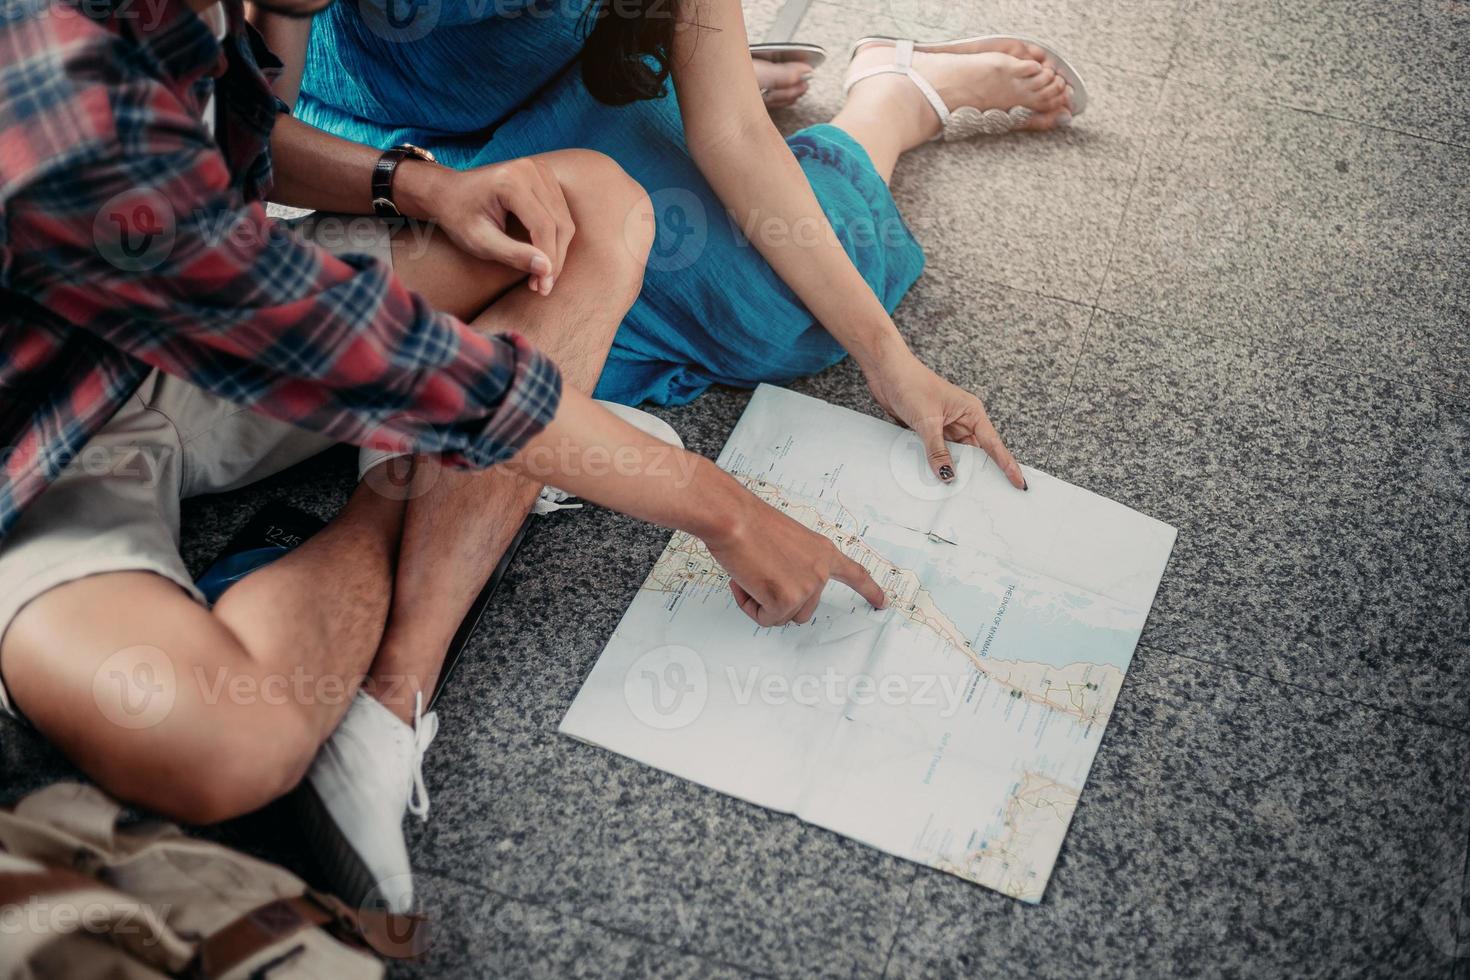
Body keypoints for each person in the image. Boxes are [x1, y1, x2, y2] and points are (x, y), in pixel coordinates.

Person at [0, 0, 891, 911]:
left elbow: (248, 151)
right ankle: (410, 490)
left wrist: (416, 184)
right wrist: (723, 509)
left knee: (592, 201)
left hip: (194, 339)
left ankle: (394, 609)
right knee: (227, 746)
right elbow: (354, 350)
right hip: (39, 456)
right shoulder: (55, 68)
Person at [271, 0, 1078, 488]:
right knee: (474, 366)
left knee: (773, 314)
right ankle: (691, 60)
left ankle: (889, 97)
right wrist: (414, 183)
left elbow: (733, 139)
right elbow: (237, 147)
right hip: (383, 140)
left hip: (573, 86)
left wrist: (889, 360)